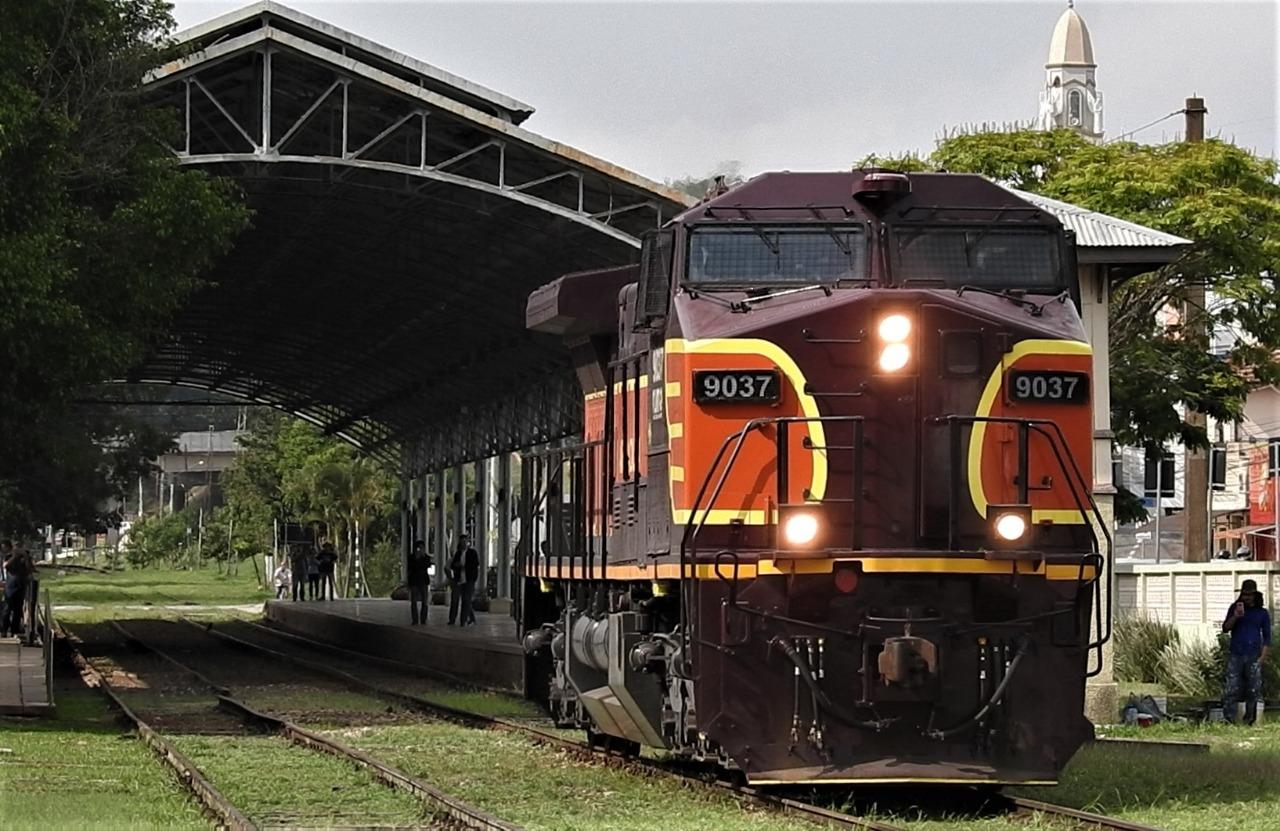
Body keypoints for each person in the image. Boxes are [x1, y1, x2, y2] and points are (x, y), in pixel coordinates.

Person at [1222, 578, 1271, 725]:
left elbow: (1267, 637)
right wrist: (1236, 616)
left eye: (1249, 595)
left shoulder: (1262, 613)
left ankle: (1250, 719)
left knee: (1253, 690)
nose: (1247, 597)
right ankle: (1229, 718)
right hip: (1236, 654)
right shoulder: (1234, 608)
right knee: (1232, 688)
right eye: (1244, 594)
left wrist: (1262, 658)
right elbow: (1225, 628)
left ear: (1255, 595)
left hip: (1253, 655)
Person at [2, 546, 34, 638]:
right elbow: (6, 565)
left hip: (21, 585)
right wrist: (14, 557)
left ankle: (14, 631)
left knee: (17, 610)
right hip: (10, 586)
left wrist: (25, 556)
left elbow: (30, 569)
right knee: (7, 609)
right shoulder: (9, 556)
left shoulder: (26, 558)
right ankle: (4, 630)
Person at [406, 540, 433, 625]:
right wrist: (417, 559)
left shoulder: (426, 557)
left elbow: (427, 565)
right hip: (414, 581)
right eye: (419, 548)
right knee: (414, 601)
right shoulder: (411, 557)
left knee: (424, 601)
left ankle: (423, 619)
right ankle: (415, 619)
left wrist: (422, 557)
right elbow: (410, 568)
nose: (420, 549)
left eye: (422, 548)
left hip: (424, 581)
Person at [460, 537, 480, 626]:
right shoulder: (459, 553)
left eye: (465, 541)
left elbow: (476, 564)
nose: (463, 543)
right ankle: (471, 618)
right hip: (461, 579)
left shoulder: (472, 553)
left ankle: (463, 620)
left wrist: (465, 567)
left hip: (470, 579)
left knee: (466, 599)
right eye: (462, 542)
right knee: (465, 600)